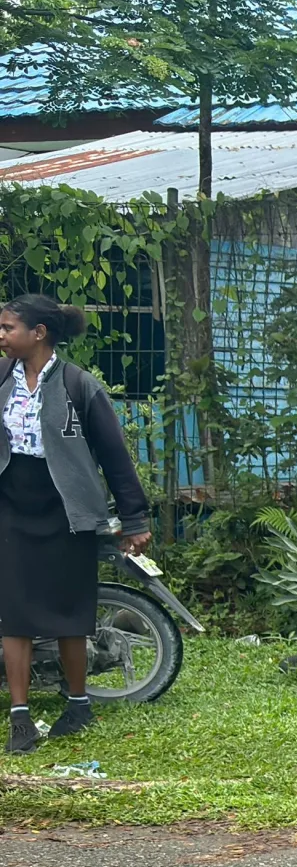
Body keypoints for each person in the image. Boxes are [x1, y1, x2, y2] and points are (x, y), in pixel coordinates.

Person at [0, 293, 149, 756]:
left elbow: (113, 455)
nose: (1, 336)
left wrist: (134, 517)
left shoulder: (78, 385)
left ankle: (79, 704)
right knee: (15, 611)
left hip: (66, 508)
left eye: (8, 328)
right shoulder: (1, 378)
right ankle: (21, 717)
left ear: (38, 334)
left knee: (68, 613)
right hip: (11, 505)